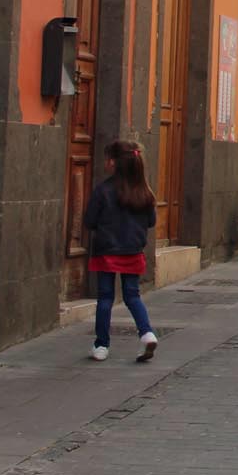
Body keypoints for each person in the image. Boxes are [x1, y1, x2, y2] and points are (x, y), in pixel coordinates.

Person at [82, 140, 159, 362]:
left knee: (105, 298)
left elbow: (90, 220)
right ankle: (147, 333)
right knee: (132, 295)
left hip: (107, 250)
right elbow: (151, 221)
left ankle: (101, 345)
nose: (105, 163)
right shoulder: (144, 192)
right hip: (133, 250)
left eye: (107, 159)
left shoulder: (103, 191)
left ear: (114, 163)